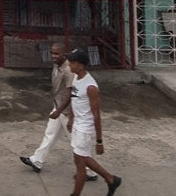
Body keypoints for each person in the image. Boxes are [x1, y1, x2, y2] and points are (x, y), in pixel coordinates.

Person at [19, 43, 96, 181]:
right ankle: (37, 160)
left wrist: (62, 112)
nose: (54, 56)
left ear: (64, 54)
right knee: (49, 134)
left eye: (57, 54)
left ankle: (89, 171)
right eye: (52, 53)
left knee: (76, 143)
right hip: (58, 107)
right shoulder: (57, 65)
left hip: (66, 111)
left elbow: (71, 94)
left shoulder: (68, 70)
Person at [66, 49, 122, 196]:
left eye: (72, 62)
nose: (69, 64)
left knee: (80, 165)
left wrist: (99, 141)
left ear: (81, 65)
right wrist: (71, 119)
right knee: (80, 158)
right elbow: (74, 98)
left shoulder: (90, 87)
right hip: (78, 124)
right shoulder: (76, 78)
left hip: (85, 128)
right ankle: (111, 179)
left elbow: (96, 115)